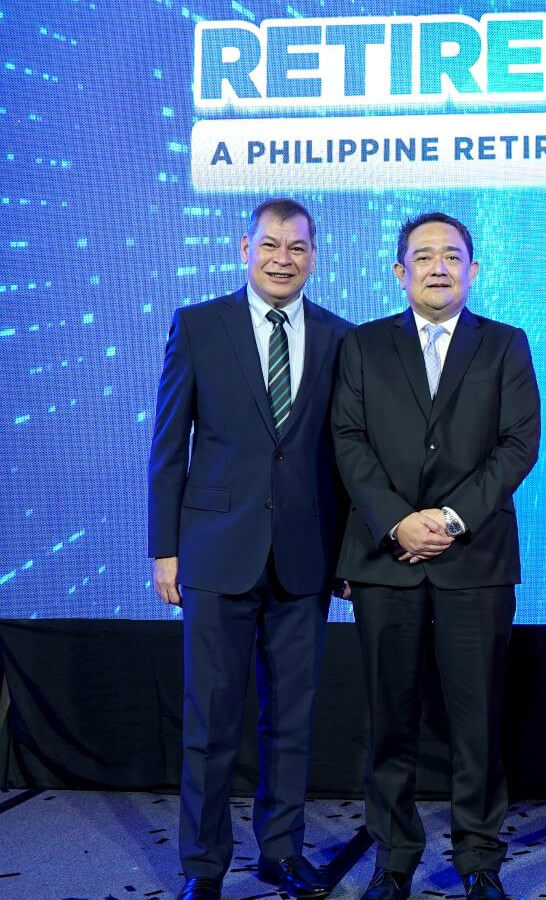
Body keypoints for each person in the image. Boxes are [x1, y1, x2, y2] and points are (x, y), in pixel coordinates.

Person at [332, 212, 540, 900]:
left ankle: (480, 859)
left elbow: (518, 444)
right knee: (388, 720)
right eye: (423, 256)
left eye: (452, 256)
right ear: (400, 272)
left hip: (474, 559)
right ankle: (393, 858)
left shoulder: (506, 344)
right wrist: (398, 522)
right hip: (384, 560)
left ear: (474, 270)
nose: (439, 267)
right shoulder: (362, 345)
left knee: (476, 723)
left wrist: (449, 519)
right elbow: (348, 440)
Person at [148, 198, 351, 900]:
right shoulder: (198, 325)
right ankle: (202, 866)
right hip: (213, 553)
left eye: (296, 247)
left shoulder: (340, 337)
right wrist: (165, 549)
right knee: (209, 721)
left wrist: (348, 556)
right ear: (245, 248)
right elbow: (168, 447)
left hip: (305, 556)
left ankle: (281, 852)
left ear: (313, 257)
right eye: (270, 245)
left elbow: (346, 459)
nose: (282, 259)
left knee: (290, 718)